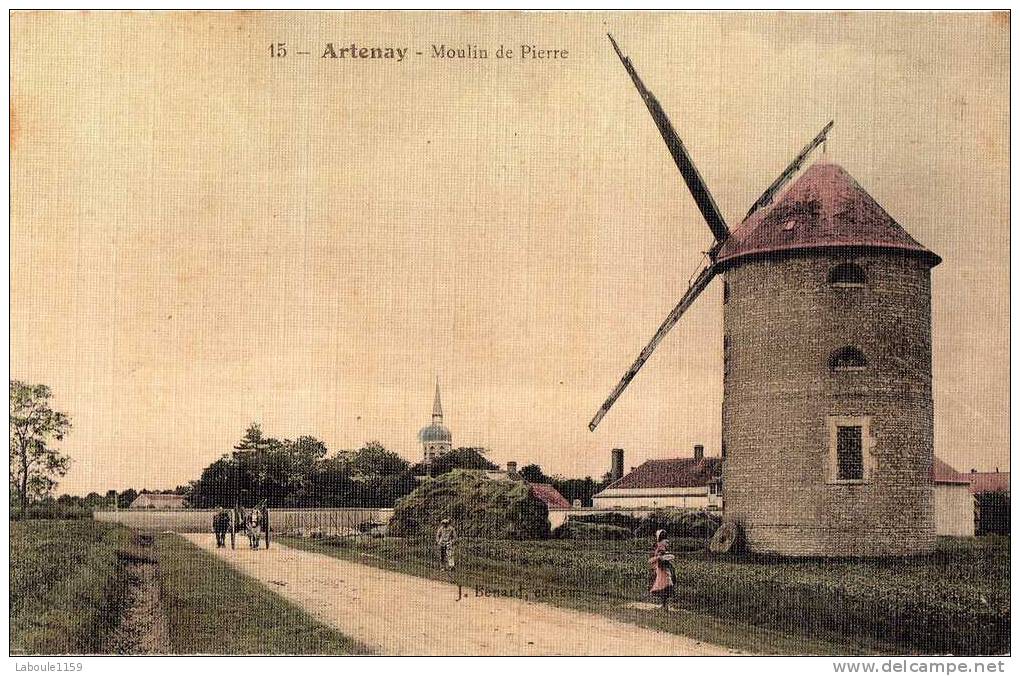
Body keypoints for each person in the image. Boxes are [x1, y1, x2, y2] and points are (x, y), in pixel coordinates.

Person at [649, 529, 675, 611]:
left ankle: (665, 605)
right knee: (664, 585)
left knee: (663, 585)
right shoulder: (663, 544)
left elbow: (661, 555)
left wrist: (659, 557)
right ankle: (664, 605)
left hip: (662, 569)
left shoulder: (660, 545)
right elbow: (662, 555)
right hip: (662, 569)